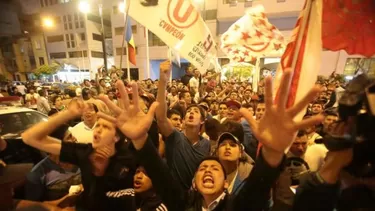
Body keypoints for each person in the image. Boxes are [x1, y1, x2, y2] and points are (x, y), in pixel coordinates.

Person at [101, 66, 324, 211]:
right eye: (203, 169)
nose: (207, 170)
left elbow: (258, 186)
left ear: (226, 184)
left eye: (215, 169)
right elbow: (159, 174)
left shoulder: (237, 206)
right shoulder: (182, 203)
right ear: (194, 184)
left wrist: (273, 153)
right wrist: (140, 140)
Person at [21, 81, 158, 211]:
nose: (98, 129)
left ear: (116, 137)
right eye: (97, 125)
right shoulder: (84, 151)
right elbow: (29, 137)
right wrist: (67, 114)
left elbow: (154, 160)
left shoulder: (128, 155)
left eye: (105, 127)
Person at [156, 61, 210, 190]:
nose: (191, 113)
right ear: (184, 120)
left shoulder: (206, 144)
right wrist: (162, 82)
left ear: (202, 121)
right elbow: (161, 118)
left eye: (195, 112)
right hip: (173, 196)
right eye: (189, 112)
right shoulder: (175, 136)